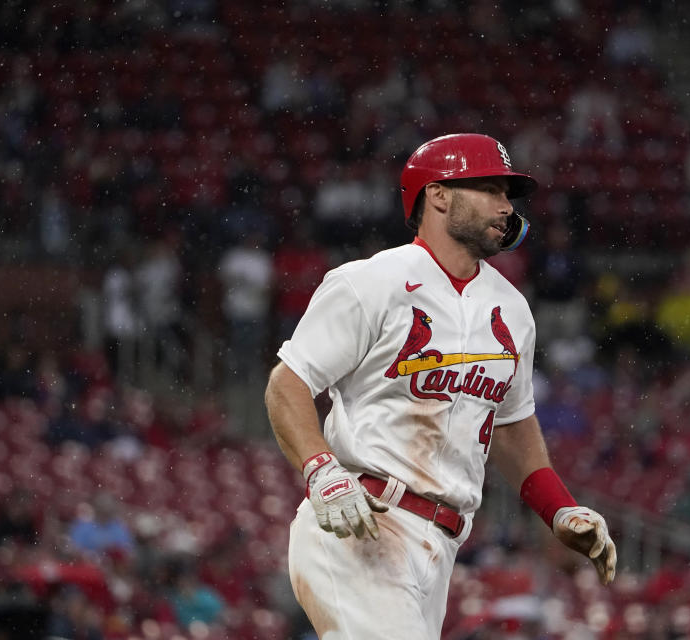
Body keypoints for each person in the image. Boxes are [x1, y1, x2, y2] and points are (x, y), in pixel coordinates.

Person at [264, 133, 617, 639]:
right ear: (439, 195)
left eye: (507, 195)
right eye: (490, 189)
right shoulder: (370, 282)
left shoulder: (513, 309)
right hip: (362, 523)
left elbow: (512, 423)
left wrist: (558, 508)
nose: (504, 205)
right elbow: (288, 384)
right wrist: (322, 471)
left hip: (441, 545)